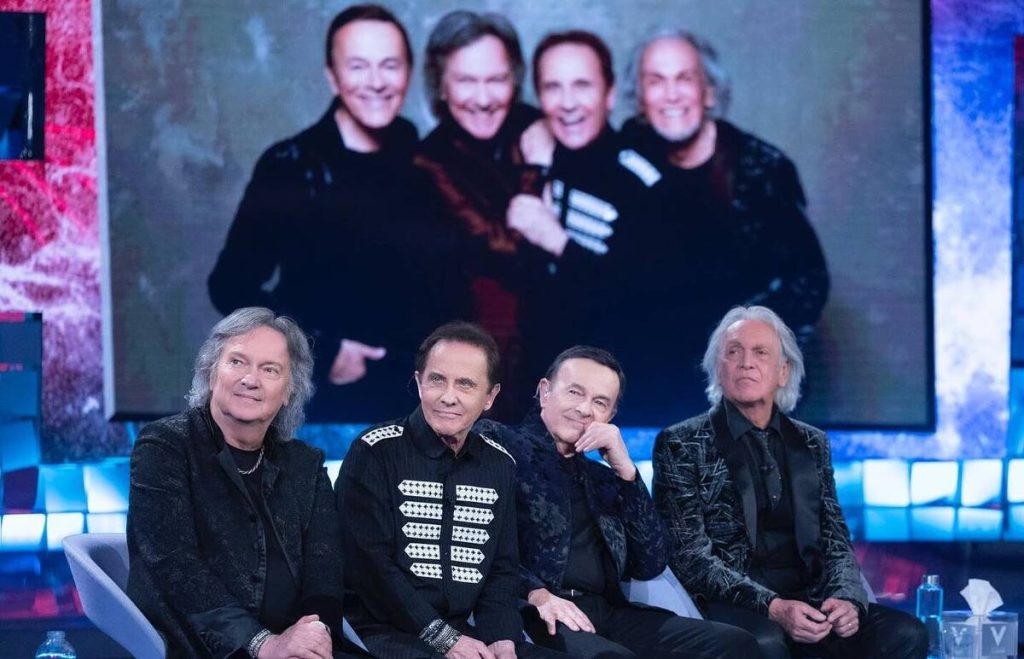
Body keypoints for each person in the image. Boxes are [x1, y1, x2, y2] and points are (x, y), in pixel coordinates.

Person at [208, 5, 465, 423]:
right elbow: (230, 285)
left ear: (408, 72)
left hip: (417, 404)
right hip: (324, 404)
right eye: (358, 66)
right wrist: (321, 352)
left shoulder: (427, 162)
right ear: (332, 76)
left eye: (390, 65)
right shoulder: (290, 165)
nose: (376, 81)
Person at [652, 305, 927, 659]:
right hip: (735, 602)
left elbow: (835, 537)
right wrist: (774, 607)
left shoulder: (813, 442)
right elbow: (689, 556)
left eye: (760, 352)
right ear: (718, 369)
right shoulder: (680, 443)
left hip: (811, 596)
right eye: (733, 352)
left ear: (783, 372)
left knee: (906, 634)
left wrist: (847, 598)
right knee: (765, 644)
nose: (746, 363)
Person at [478, 346, 761, 657]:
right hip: (533, 611)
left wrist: (627, 473)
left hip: (606, 611)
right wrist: (535, 592)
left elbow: (650, 564)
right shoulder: (499, 445)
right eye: (575, 392)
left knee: (735, 644)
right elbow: (481, 543)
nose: (585, 409)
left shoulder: (603, 478)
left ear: (610, 417)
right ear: (545, 392)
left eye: (600, 402)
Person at [127, 307, 362, 658]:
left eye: (270, 370)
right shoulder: (165, 446)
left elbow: (324, 565)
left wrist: (315, 637)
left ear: (289, 391)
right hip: (208, 647)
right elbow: (175, 565)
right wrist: (262, 643)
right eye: (237, 362)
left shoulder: (306, 464)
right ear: (211, 373)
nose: (251, 379)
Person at [622, 32, 830, 423]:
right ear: (640, 99)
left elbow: (808, 283)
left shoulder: (761, 169)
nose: (671, 94)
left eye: (684, 78)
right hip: (653, 384)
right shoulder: (625, 156)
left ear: (709, 93)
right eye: (656, 81)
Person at [335, 321, 565, 658]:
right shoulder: (374, 451)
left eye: (465, 384)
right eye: (437, 380)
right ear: (418, 383)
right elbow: (372, 570)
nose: (448, 397)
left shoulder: (499, 464)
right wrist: (444, 639)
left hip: (463, 634)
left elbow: (501, 571)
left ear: (490, 397)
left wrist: (502, 638)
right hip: (381, 632)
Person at [505, 31, 666, 424]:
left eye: (582, 86)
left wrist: (559, 243)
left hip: (619, 398)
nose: (567, 102)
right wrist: (536, 168)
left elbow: (643, 299)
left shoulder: (640, 182)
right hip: (533, 395)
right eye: (553, 87)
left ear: (609, 94)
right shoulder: (530, 158)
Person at [414, 10, 543, 422]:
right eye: (466, 81)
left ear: (515, 80)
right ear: (441, 85)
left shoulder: (540, 127)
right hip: (485, 363)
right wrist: (535, 169)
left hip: (562, 347)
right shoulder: (428, 162)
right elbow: (512, 249)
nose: (484, 98)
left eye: (497, 79)